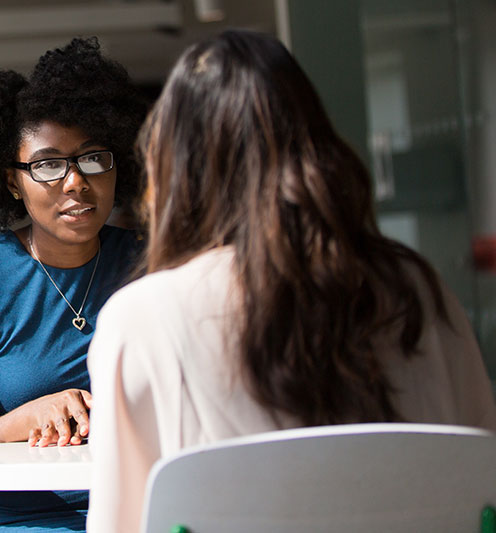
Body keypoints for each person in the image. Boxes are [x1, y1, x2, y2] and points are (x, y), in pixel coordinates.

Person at [86, 29, 496, 532]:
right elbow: (482, 488)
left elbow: (118, 524)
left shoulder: (143, 319)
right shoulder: (418, 290)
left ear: (177, 168)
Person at [0, 37, 147, 532]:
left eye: (93, 158)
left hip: (141, 508)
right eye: (48, 165)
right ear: (11, 182)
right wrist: (29, 418)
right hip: (15, 519)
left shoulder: (151, 261)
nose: (75, 182)